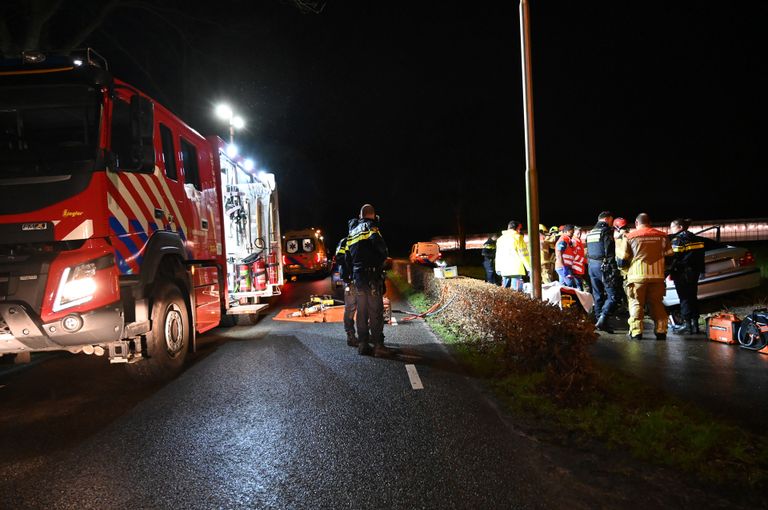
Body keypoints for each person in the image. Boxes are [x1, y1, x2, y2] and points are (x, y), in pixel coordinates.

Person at [617, 213, 672, 340]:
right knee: (657, 303)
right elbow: (670, 257)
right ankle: (661, 330)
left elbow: (622, 261)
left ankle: (636, 332)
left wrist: (625, 271)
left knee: (636, 303)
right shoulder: (663, 236)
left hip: (636, 277)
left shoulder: (630, 237)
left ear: (636, 223)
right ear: (650, 222)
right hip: (657, 277)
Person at [347, 203, 390, 357]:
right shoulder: (371, 227)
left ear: (360, 215)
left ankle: (363, 344)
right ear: (373, 215)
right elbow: (381, 247)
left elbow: (347, 256)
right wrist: (383, 259)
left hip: (358, 277)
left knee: (362, 311)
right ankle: (378, 346)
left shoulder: (352, 231)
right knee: (375, 311)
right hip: (372, 275)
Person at [668, 218, 705, 334]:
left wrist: (669, 271)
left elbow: (674, 258)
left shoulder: (678, 240)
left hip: (682, 273)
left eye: (672, 227)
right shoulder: (696, 238)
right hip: (695, 272)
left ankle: (687, 325)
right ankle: (696, 325)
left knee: (684, 298)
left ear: (679, 227)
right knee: (693, 296)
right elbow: (700, 257)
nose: (671, 230)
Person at [586, 211, 620, 333]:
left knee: (597, 295)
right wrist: (614, 269)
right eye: (611, 220)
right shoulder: (606, 231)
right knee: (613, 295)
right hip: (604, 267)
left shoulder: (590, 233)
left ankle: (599, 321)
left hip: (592, 267)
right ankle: (603, 318)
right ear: (607, 219)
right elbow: (610, 252)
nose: (612, 223)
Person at [335, 219, 359, 347]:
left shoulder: (343, 242)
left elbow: (338, 257)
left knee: (353, 309)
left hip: (351, 281)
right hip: (353, 280)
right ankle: (351, 335)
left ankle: (354, 336)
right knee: (355, 309)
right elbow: (340, 258)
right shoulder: (347, 241)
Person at [495, 220, 531, 291]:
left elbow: (498, 255)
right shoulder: (518, 238)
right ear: (517, 228)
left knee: (504, 293)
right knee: (516, 293)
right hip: (515, 269)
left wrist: (498, 268)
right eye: (520, 229)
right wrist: (529, 268)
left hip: (503, 269)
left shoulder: (500, 239)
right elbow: (524, 254)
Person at [571, 226, 586, 291]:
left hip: (579, 268)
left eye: (580, 233)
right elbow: (574, 255)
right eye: (577, 233)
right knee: (578, 286)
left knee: (580, 285)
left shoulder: (579, 241)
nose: (579, 235)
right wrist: (585, 260)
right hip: (575, 268)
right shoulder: (573, 241)